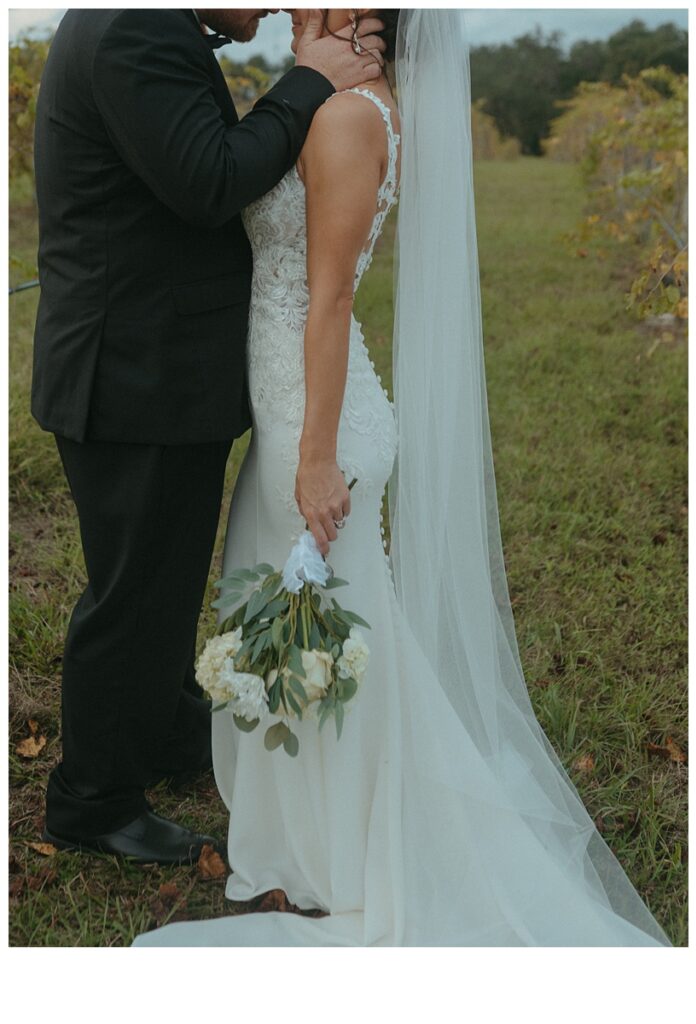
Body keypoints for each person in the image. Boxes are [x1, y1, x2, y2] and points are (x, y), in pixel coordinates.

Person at [133, 9, 671, 946]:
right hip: (300, 409)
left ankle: (340, 851)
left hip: (318, 423)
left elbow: (331, 293)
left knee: (319, 636)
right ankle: (313, 833)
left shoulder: (347, 118)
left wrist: (313, 458)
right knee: (300, 630)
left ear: (359, 12)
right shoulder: (335, 101)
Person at [32, 7, 387, 866]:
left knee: (162, 580)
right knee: (133, 595)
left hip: (159, 370)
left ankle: (157, 731)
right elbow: (208, 179)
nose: (267, 8)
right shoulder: (131, 30)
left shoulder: (141, 26)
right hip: (130, 375)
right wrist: (307, 81)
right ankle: (93, 801)